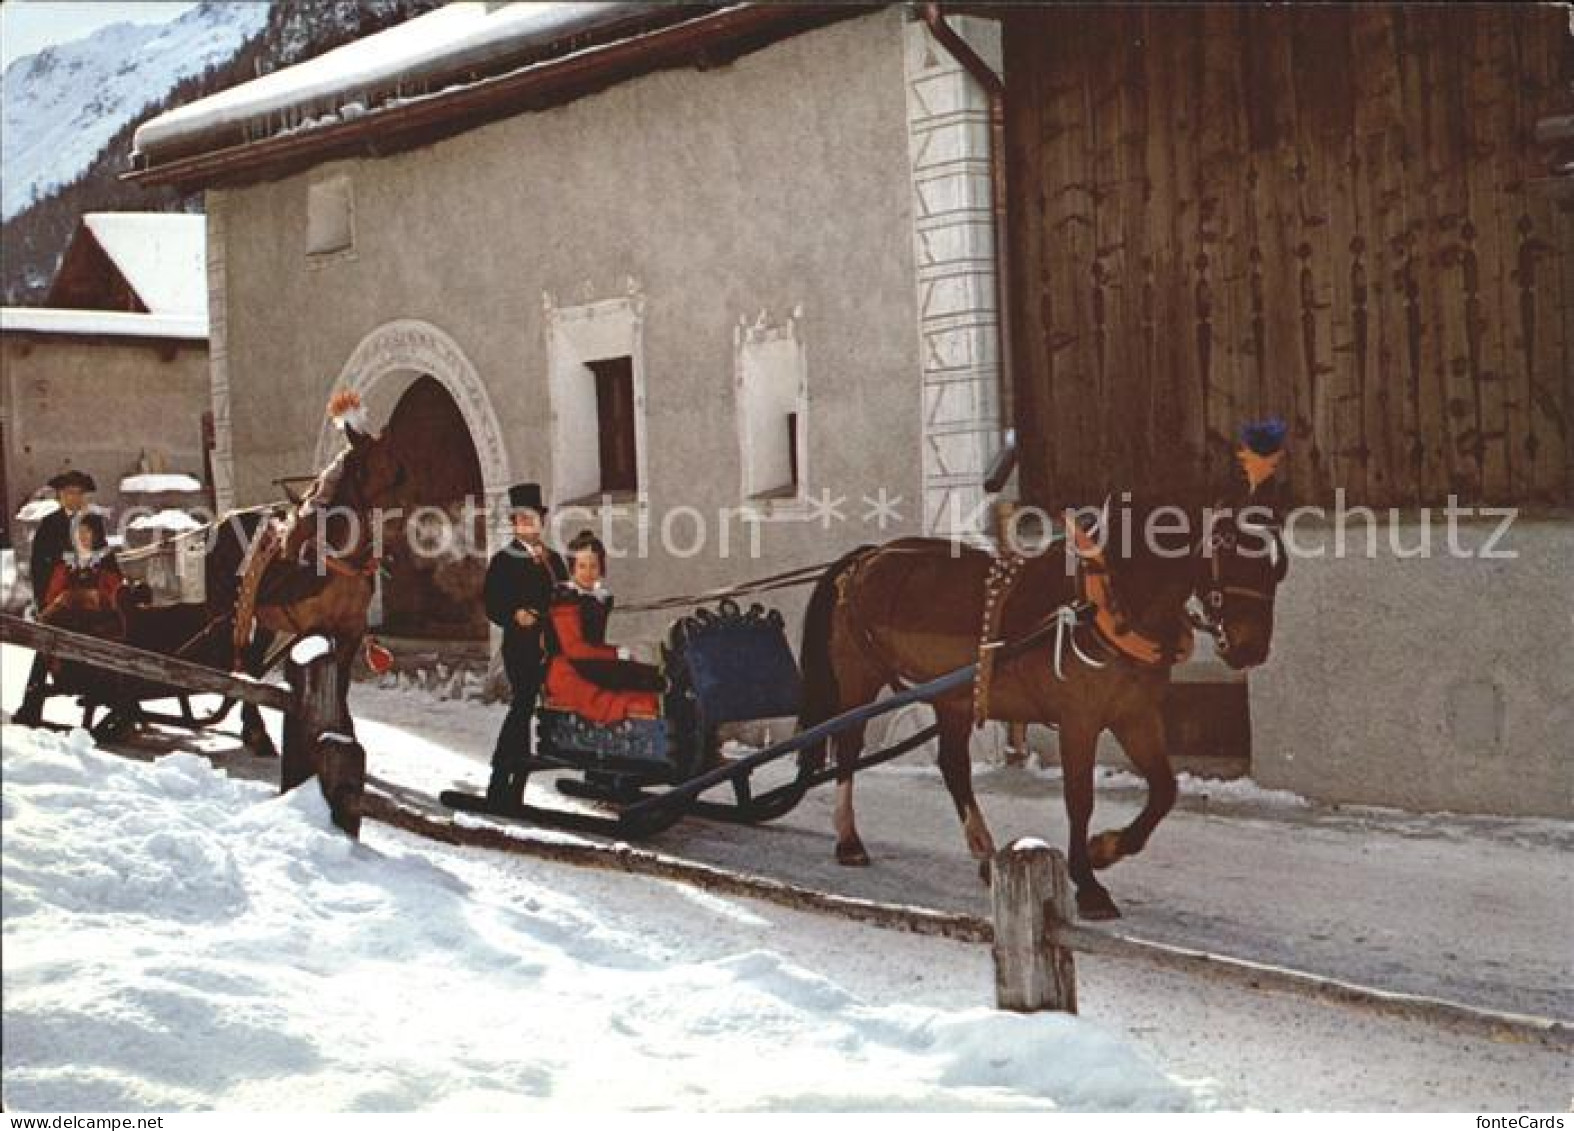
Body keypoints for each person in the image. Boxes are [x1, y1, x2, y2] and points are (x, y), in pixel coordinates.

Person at [482, 483, 566, 809]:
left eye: (532, 519)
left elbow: (565, 595)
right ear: (514, 524)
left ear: (540, 522)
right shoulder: (504, 561)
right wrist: (514, 614)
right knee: (522, 707)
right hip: (521, 648)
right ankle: (500, 780)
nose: (527, 525)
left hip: (554, 648)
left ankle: (518, 782)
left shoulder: (554, 561)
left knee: (549, 708)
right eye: (521, 520)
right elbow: (492, 604)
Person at [12, 469, 104, 726]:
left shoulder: (93, 522)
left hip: (90, 597)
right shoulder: (50, 524)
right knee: (47, 647)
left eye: (77, 493)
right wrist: (47, 601)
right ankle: (32, 706)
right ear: (60, 497)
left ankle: (104, 689)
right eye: (67, 494)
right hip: (57, 597)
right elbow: (39, 567)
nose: (73, 498)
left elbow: (106, 558)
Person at [544, 530, 663, 724]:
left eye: (594, 566)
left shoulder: (598, 598)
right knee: (626, 682)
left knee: (646, 674)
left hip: (590, 664)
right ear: (572, 568)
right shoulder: (566, 601)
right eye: (582, 566)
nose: (588, 572)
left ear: (601, 567)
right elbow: (574, 649)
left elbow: (593, 646)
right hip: (567, 671)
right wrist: (616, 654)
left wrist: (620, 653)